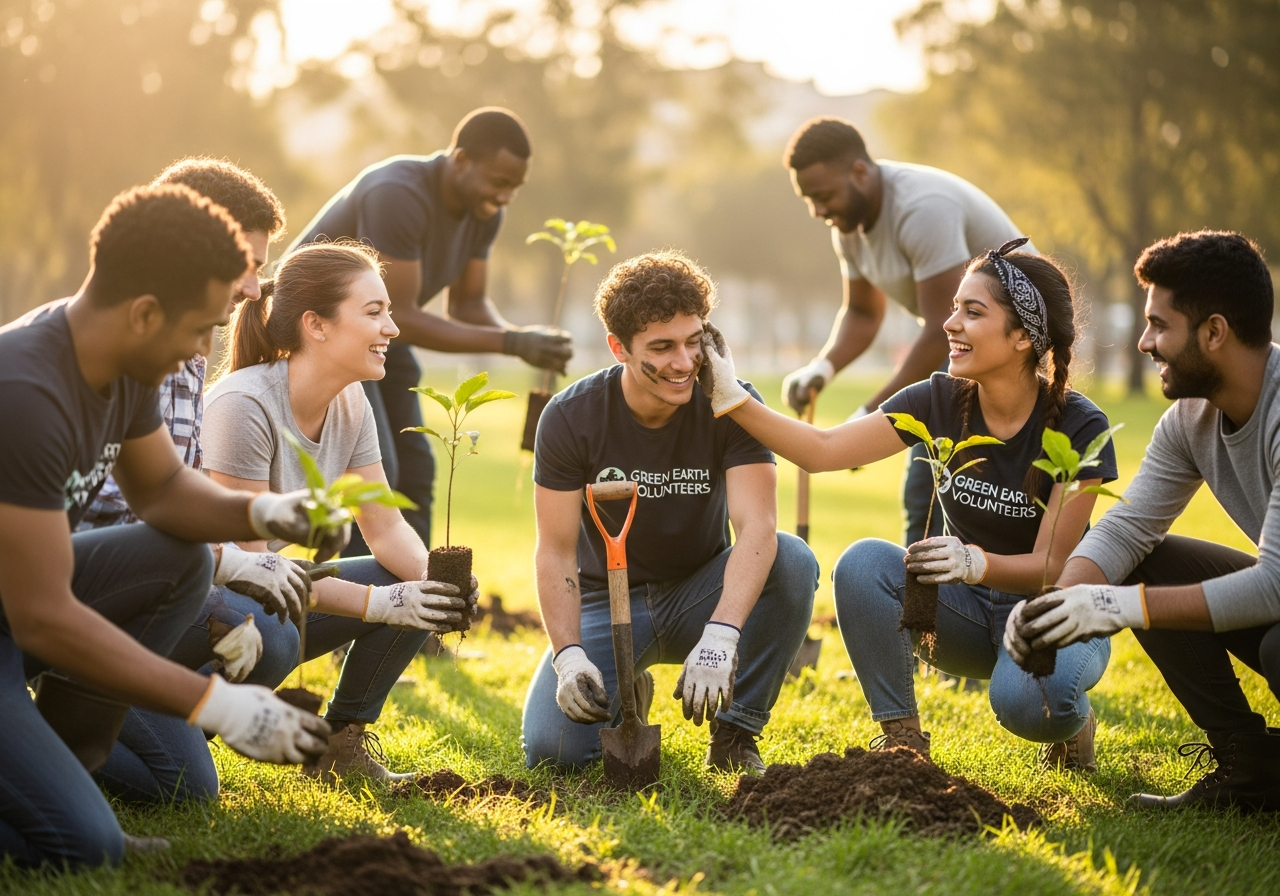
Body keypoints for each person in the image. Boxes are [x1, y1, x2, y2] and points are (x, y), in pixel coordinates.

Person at [0, 185, 332, 869]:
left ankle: (65, 763)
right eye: (200, 327)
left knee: (176, 559)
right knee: (82, 846)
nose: (205, 347)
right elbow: (43, 619)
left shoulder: (118, 363)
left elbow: (161, 492)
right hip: (21, 617)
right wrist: (223, 706)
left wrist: (263, 512)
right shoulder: (27, 397)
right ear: (146, 313)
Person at [700, 239, 1118, 770]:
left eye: (972, 311)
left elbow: (1056, 567)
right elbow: (825, 451)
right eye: (953, 309)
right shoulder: (938, 399)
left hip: (1049, 612)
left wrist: (975, 562)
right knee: (863, 565)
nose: (949, 324)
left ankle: (1072, 722)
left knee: (1029, 706)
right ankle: (902, 742)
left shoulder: (1081, 425)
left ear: (1020, 337)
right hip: (962, 614)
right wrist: (733, 398)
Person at [1009, 230, 1280, 809]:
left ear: (1214, 332)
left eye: (1159, 325)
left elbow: (1275, 586)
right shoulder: (1190, 419)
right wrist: (1057, 604)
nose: (1142, 342)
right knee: (1145, 562)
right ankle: (1249, 770)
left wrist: (1113, 606)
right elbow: (1128, 530)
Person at [77, 159, 318, 806]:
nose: (254, 289)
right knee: (166, 797)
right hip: (66, 601)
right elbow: (117, 524)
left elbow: (165, 492)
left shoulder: (184, 348)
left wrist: (254, 532)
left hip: (118, 588)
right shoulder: (115, 352)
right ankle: (59, 737)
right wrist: (226, 573)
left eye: (262, 267)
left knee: (267, 628)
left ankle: (98, 729)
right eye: (245, 262)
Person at [523, 250, 819, 774]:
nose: (683, 363)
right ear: (618, 348)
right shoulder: (571, 416)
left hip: (699, 593)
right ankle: (625, 675)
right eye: (661, 347)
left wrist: (723, 632)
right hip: (604, 601)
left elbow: (758, 528)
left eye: (693, 342)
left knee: (792, 560)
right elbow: (556, 550)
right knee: (555, 750)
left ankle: (736, 735)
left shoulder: (730, 404)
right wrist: (567, 655)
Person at [202, 240, 479, 783]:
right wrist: (382, 604)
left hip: (266, 591)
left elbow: (385, 525)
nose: (392, 329)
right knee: (292, 633)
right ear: (317, 325)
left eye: (389, 312)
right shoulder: (244, 406)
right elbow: (253, 565)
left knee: (405, 577)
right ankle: (185, 717)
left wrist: (435, 586)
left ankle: (340, 745)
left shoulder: (351, 402)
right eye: (374, 312)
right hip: (212, 598)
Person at [294, 107, 571, 554]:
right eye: (499, 183)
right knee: (375, 472)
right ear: (460, 161)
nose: (504, 198)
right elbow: (400, 311)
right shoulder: (398, 193)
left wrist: (522, 339)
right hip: (319, 334)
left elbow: (468, 303)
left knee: (417, 469)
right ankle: (351, 604)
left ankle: (415, 603)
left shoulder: (484, 213)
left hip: (375, 333)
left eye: (514, 188)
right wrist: (510, 342)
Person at [780, 117, 1032, 544]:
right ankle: (921, 607)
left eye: (823, 196)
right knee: (926, 493)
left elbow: (940, 329)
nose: (818, 211)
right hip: (964, 350)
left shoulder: (921, 209)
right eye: (809, 200)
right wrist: (822, 368)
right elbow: (862, 314)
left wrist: (867, 418)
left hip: (1019, 351)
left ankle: (985, 599)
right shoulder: (850, 228)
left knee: (951, 492)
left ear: (859, 172)